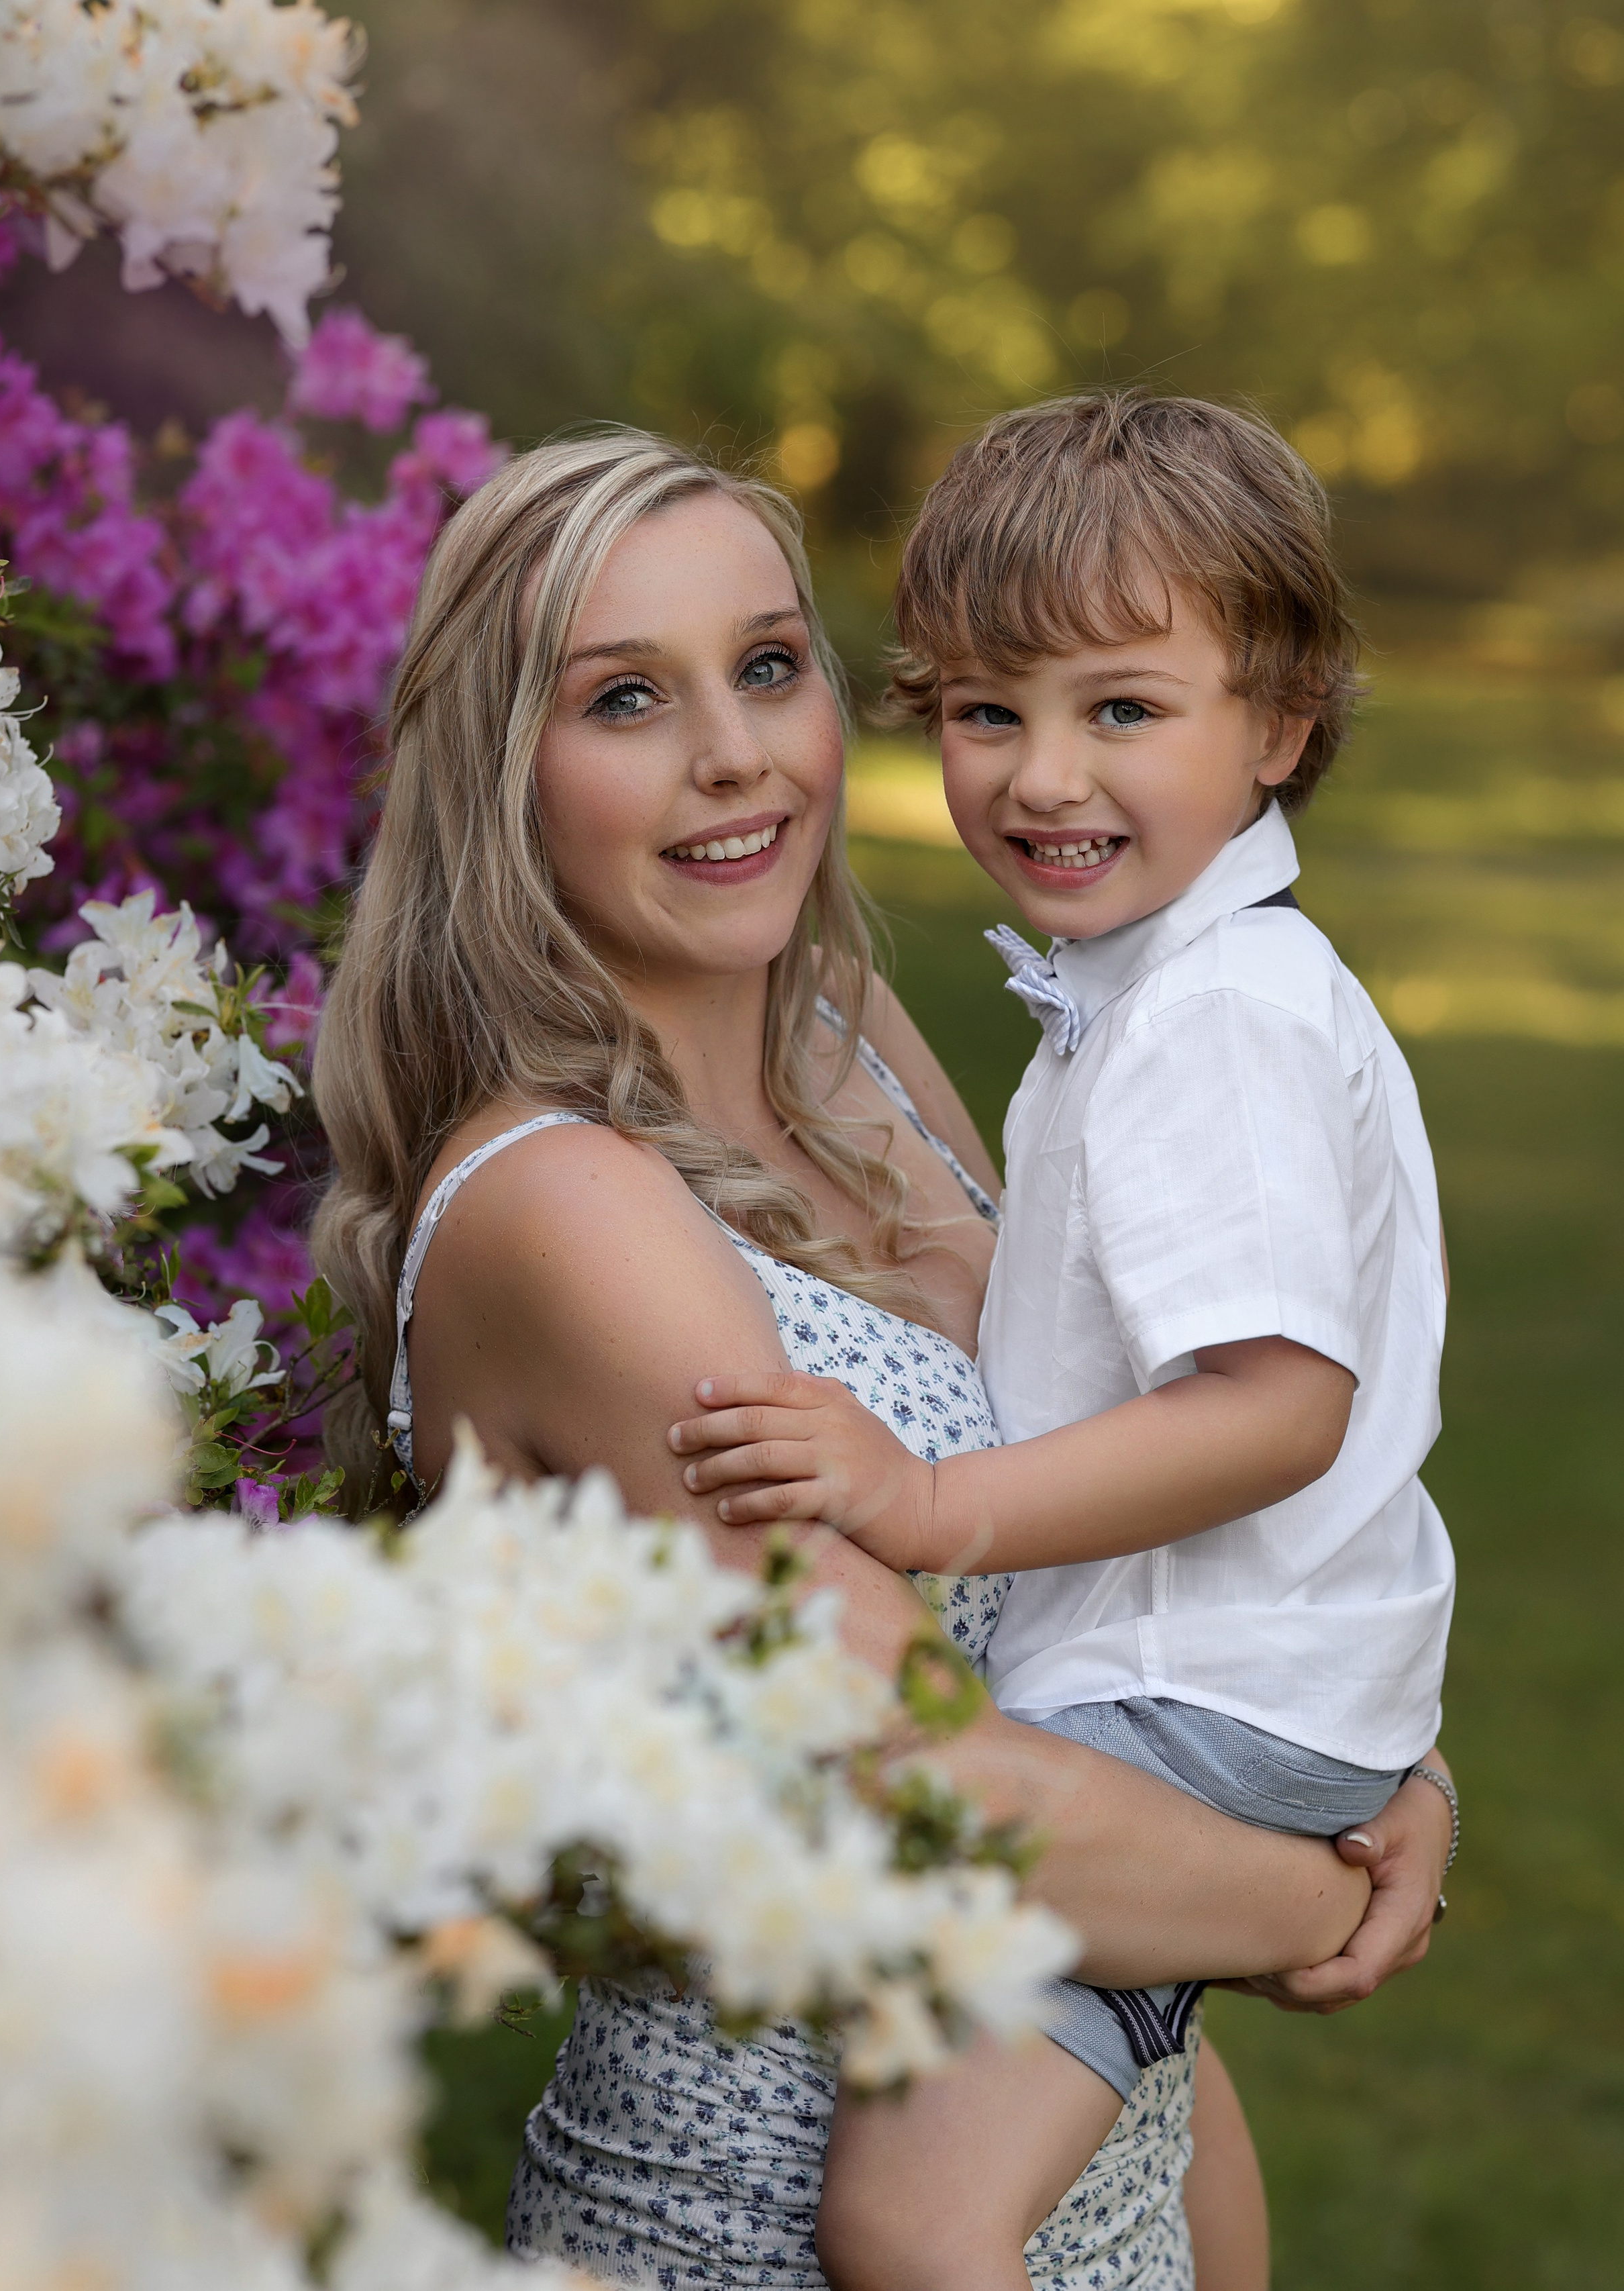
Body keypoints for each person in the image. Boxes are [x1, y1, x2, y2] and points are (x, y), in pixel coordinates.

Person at [309, 425, 1456, 2290]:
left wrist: (1355, 1758)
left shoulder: (843, 1048)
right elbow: (913, 1787)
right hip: (766, 2234)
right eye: (626, 698)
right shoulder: (569, 1211)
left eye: (770, 667)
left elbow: (1100, 1654)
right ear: (504, 772)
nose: (733, 754)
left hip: (1070, 2168)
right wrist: (1325, 1883)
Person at [668, 394, 1460, 2289]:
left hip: (1196, 1702)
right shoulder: (1168, 994)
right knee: (1095, 2175)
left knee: (914, 2215)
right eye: (984, 710)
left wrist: (935, 1507)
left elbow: (1279, 1412)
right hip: (1253, 1692)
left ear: (1277, 725)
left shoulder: (1216, 1022)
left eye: (1120, 709)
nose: (1039, 776)